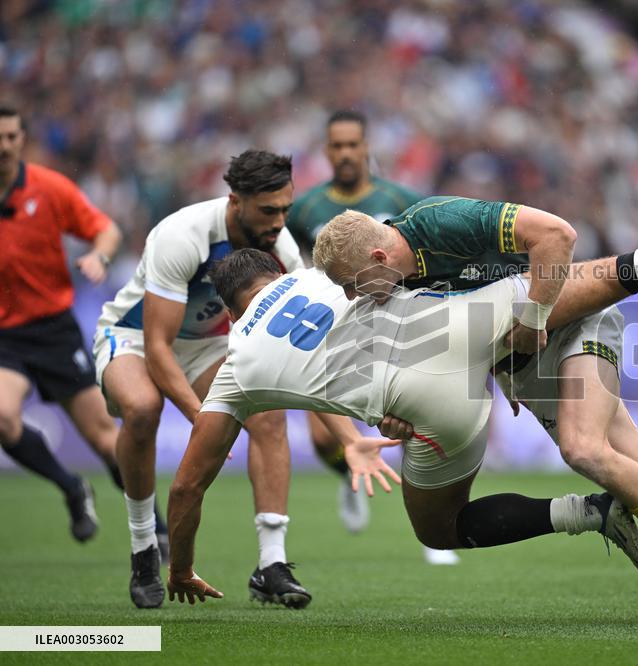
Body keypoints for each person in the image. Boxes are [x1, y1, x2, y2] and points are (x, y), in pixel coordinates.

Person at [317, 197, 638, 622]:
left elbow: (557, 234)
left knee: (582, 448)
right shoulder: (392, 293)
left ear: (380, 258)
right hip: (523, 360)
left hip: (572, 319)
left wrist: (534, 316)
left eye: (350, 282)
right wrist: (408, 415)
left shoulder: (436, 223)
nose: (350, 296)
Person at [165, 250, 638, 623]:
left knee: (441, 529)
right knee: (615, 274)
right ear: (280, 270)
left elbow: (189, 487)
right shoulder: (322, 274)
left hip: (439, 411)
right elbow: (414, 284)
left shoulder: (238, 358)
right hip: (471, 333)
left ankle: (592, 513)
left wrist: (181, 567)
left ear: (228, 313)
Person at [92, 150, 311, 609]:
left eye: (286, 210)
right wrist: (199, 415)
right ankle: (143, 547)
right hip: (133, 335)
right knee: (142, 408)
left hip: (208, 345)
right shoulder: (182, 234)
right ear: (235, 201)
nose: (279, 222)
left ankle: (271, 565)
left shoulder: (281, 247)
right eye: (268, 211)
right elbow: (157, 346)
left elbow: (305, 346)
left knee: (269, 414)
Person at [286, 110, 456, 565]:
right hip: (337, 327)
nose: (344, 153)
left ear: (366, 148)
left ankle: (429, 535)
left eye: (351, 145)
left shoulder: (399, 198)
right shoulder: (304, 209)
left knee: (414, 427)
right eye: (335, 146)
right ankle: (349, 474)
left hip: (398, 324)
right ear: (326, 151)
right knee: (325, 440)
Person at [0, 104, 168, 548]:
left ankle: (156, 524)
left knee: (103, 438)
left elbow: (105, 229)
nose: (3, 146)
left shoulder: (48, 188)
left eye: (11, 136)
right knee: (1, 417)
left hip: (54, 329)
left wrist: (99, 255)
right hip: (4, 337)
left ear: (22, 140)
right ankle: (72, 488)